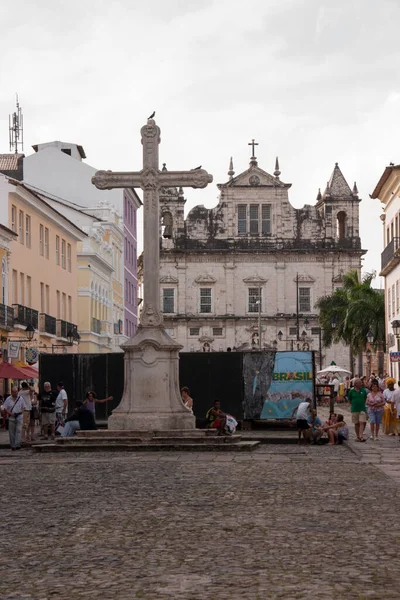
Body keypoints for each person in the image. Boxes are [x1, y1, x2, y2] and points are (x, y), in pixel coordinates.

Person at [348, 378, 368, 442]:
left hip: (362, 408)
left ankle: (361, 435)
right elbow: (349, 400)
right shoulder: (351, 391)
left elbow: (365, 399)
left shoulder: (363, 391)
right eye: (360, 383)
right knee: (356, 423)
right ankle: (358, 436)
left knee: (363, 422)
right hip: (354, 409)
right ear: (355, 384)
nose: (361, 384)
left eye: (361, 383)